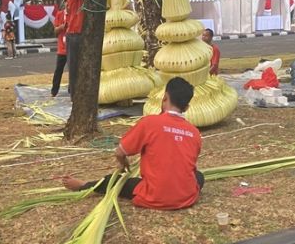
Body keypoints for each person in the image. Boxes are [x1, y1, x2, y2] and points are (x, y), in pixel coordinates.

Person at [61, 78, 205, 210]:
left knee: (117, 181)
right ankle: (181, 191)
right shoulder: (195, 133)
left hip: (154, 195)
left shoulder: (149, 123)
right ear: (186, 108)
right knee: (199, 176)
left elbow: (119, 152)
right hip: (186, 197)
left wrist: (123, 163)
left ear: (165, 97)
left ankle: (84, 185)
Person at [65, 0, 87, 98]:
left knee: (81, 65)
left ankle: (77, 91)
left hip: (81, 31)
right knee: (74, 66)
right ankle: (74, 94)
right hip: (74, 32)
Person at [50, 6, 68, 96]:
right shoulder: (59, 14)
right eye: (66, 2)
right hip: (62, 49)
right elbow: (55, 31)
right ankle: (54, 90)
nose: (68, 4)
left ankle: (72, 90)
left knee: (73, 71)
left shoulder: (75, 13)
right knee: (58, 70)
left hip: (72, 48)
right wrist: (62, 27)